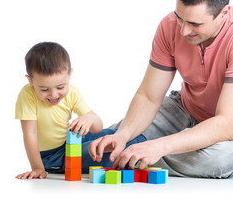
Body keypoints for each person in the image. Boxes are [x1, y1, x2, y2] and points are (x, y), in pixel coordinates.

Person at [88, 0, 233, 179]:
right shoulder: (169, 25)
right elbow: (149, 96)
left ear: (224, 13)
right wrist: (124, 134)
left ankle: (133, 157)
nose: (184, 31)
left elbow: (227, 124)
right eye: (180, 18)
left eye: (195, 24)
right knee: (114, 139)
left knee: (219, 159)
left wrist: (160, 146)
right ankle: (67, 151)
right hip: (183, 109)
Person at [15, 42, 146, 179]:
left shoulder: (72, 92)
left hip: (73, 139)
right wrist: (37, 168)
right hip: (54, 156)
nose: (53, 95)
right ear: (30, 81)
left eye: (60, 87)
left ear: (69, 74)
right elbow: (30, 133)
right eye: (44, 89)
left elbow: (97, 127)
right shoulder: (27, 94)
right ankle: (113, 153)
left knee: (128, 136)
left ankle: (118, 148)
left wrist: (89, 119)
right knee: (115, 149)